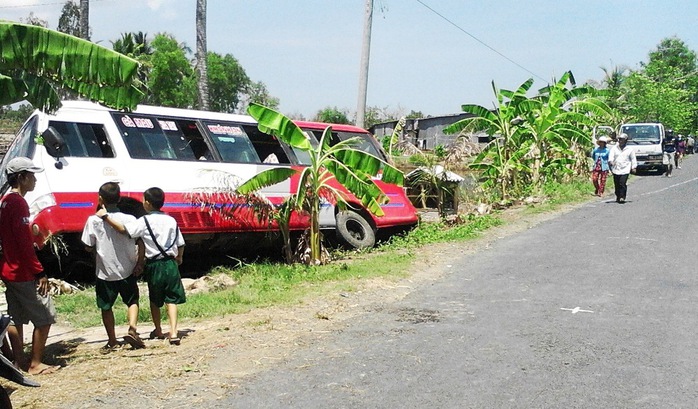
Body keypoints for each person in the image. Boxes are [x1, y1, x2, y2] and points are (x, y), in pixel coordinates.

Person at [97, 187, 186, 345]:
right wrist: (179, 258)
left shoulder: (144, 221)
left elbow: (123, 230)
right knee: (171, 298)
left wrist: (106, 218)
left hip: (154, 264)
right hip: (171, 263)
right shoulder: (171, 220)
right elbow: (180, 243)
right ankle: (173, 332)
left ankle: (158, 329)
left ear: (147, 203)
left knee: (155, 298)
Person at [0, 157, 59, 375]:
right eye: (31, 175)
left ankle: (18, 360)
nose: (34, 179)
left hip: (8, 269)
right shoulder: (18, 202)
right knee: (45, 316)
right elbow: (24, 244)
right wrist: (39, 271)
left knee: (15, 316)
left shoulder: (5, 201)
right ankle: (35, 363)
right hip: (23, 271)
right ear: (22, 177)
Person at [81, 182, 145, 351]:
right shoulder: (130, 219)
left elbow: (88, 245)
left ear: (100, 198)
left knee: (106, 306)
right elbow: (140, 241)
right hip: (128, 268)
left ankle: (112, 340)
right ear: (119, 198)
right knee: (132, 300)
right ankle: (132, 328)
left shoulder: (93, 221)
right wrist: (140, 263)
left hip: (105, 271)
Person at [608, 133, 637, 204]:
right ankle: (618, 196)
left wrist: (634, 167)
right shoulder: (614, 148)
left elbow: (633, 159)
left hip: (625, 169)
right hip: (616, 169)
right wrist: (611, 161)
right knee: (617, 184)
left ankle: (622, 197)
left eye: (622, 139)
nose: (620, 141)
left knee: (622, 183)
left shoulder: (630, 149)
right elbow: (611, 157)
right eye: (619, 139)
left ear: (626, 140)